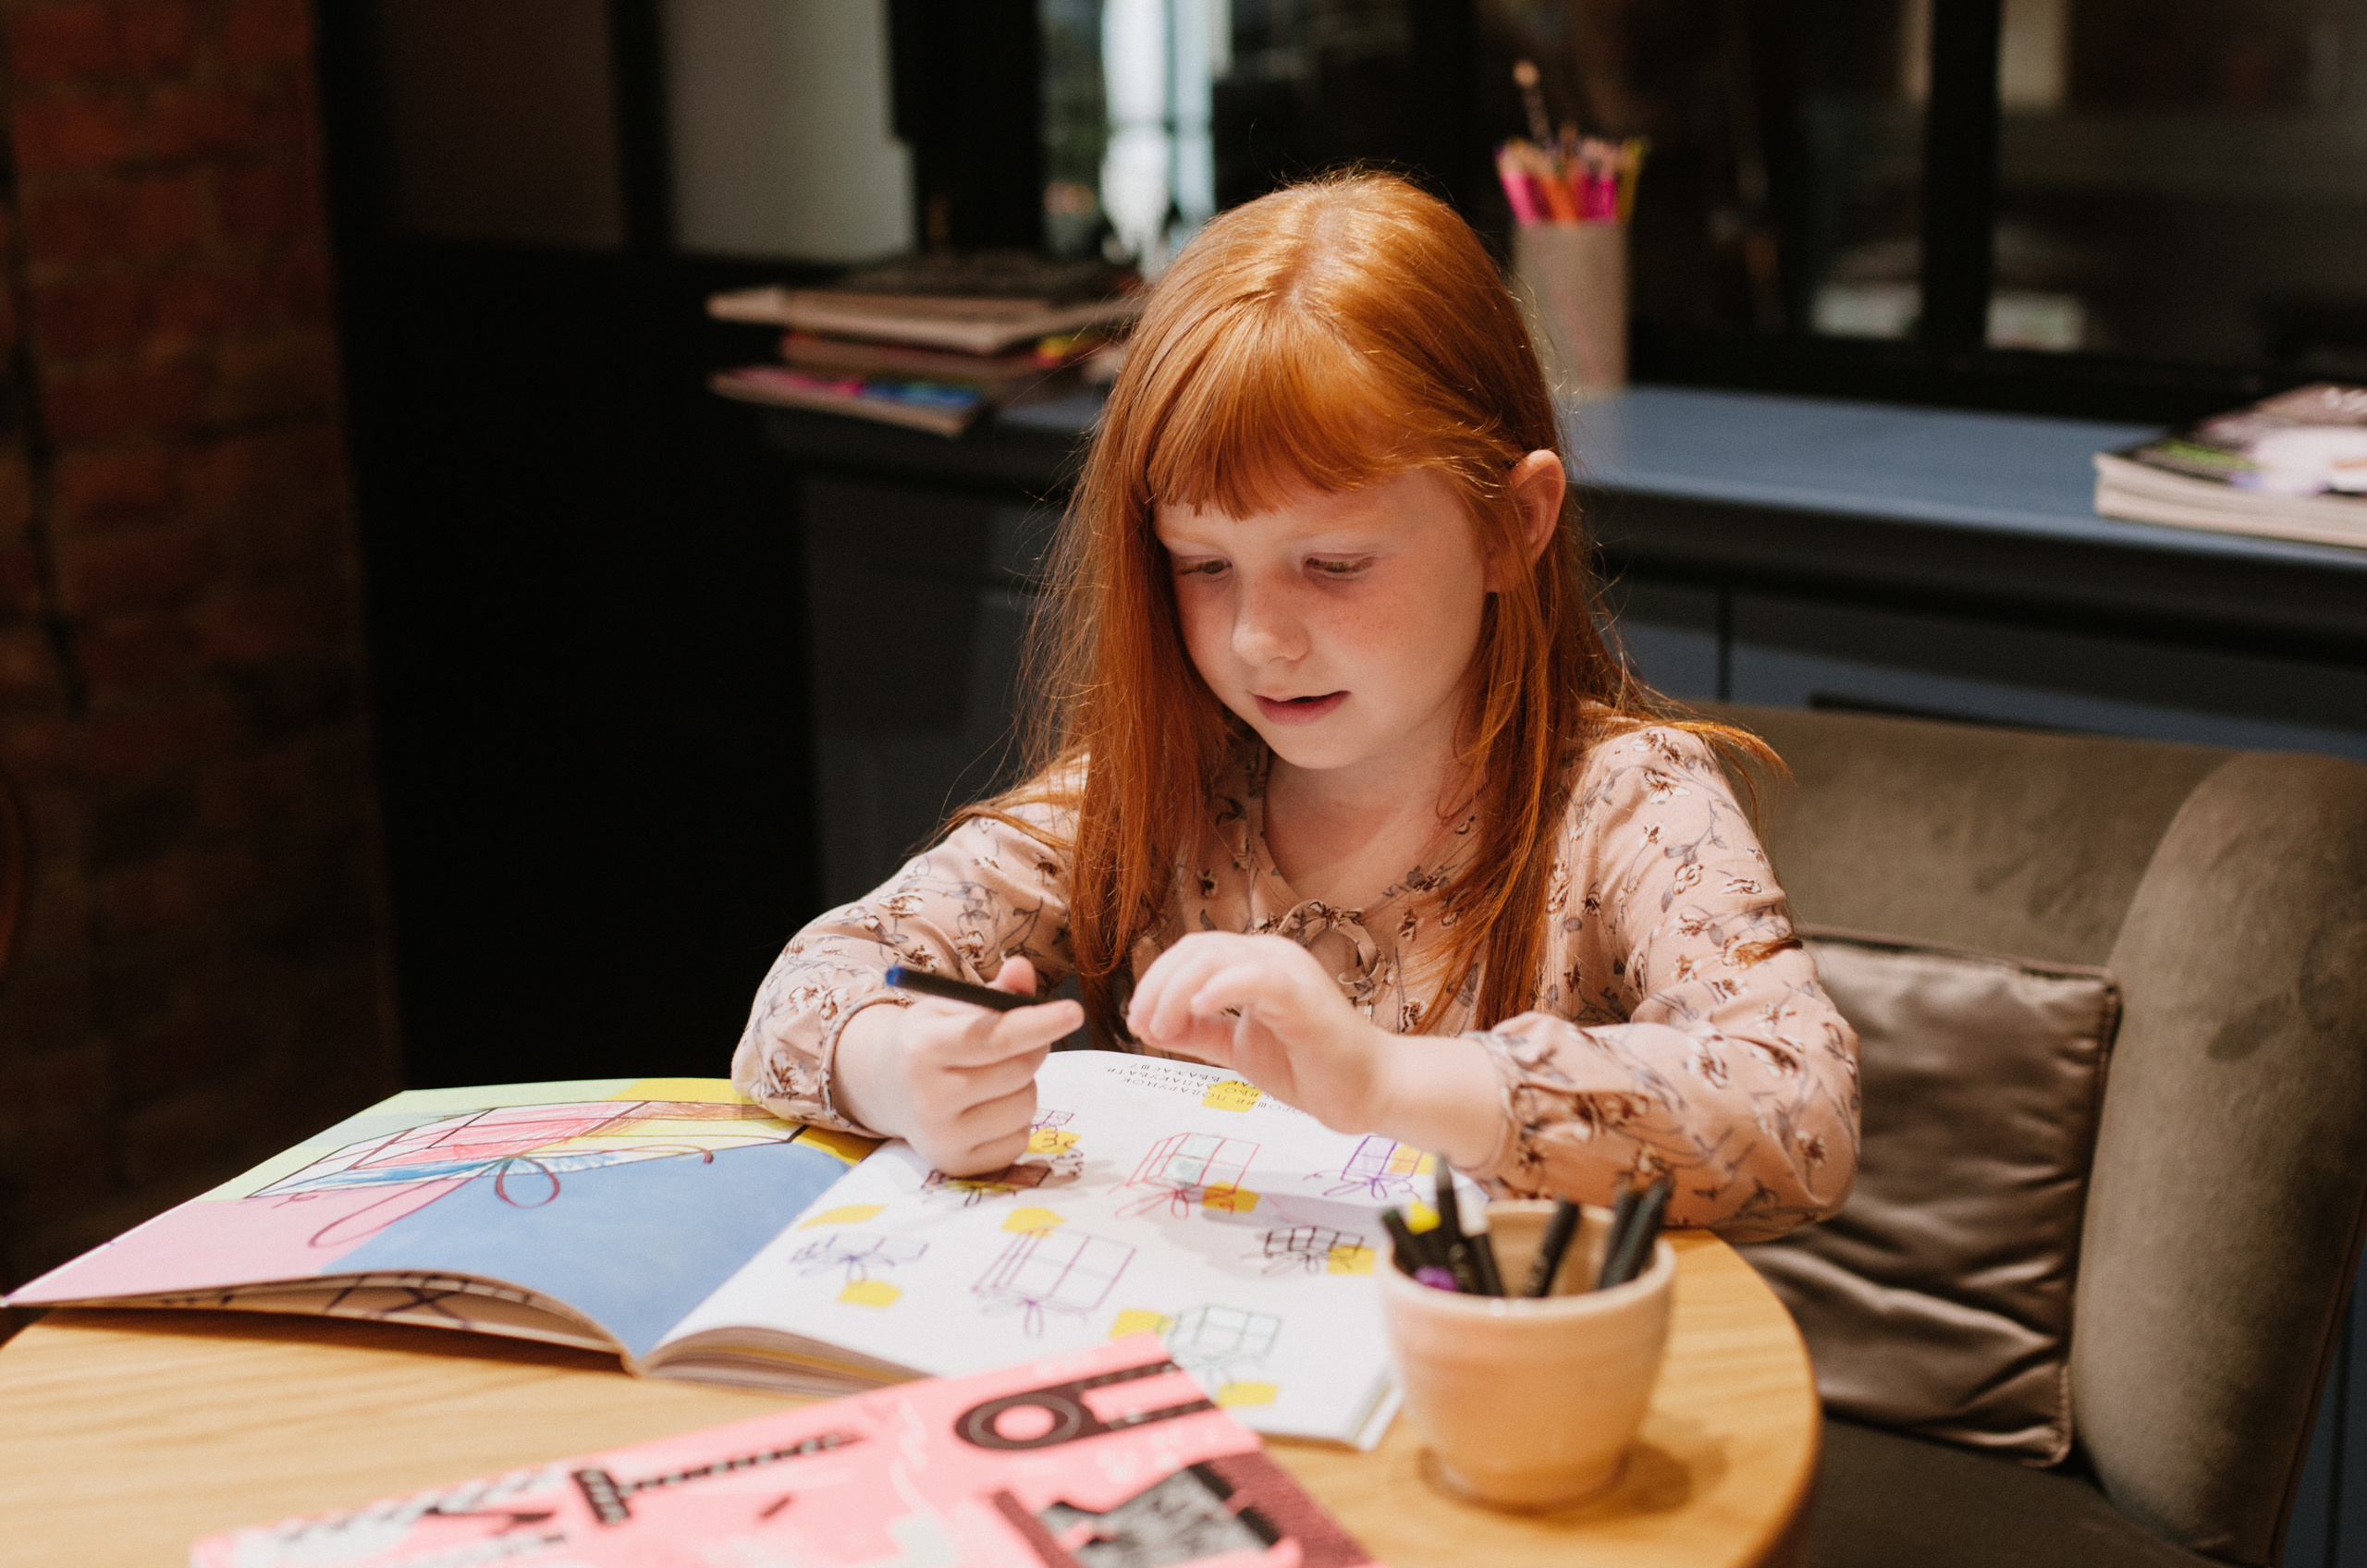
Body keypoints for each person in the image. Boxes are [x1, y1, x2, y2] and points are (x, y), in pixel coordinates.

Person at [732, 172, 1857, 1240]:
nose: (1257, 639)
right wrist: (899, 1069)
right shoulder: (1155, 788)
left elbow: (1801, 1110)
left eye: (1333, 565)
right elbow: (813, 982)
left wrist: (1383, 1079)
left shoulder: (1625, 803)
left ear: (1513, 525)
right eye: (1203, 566)